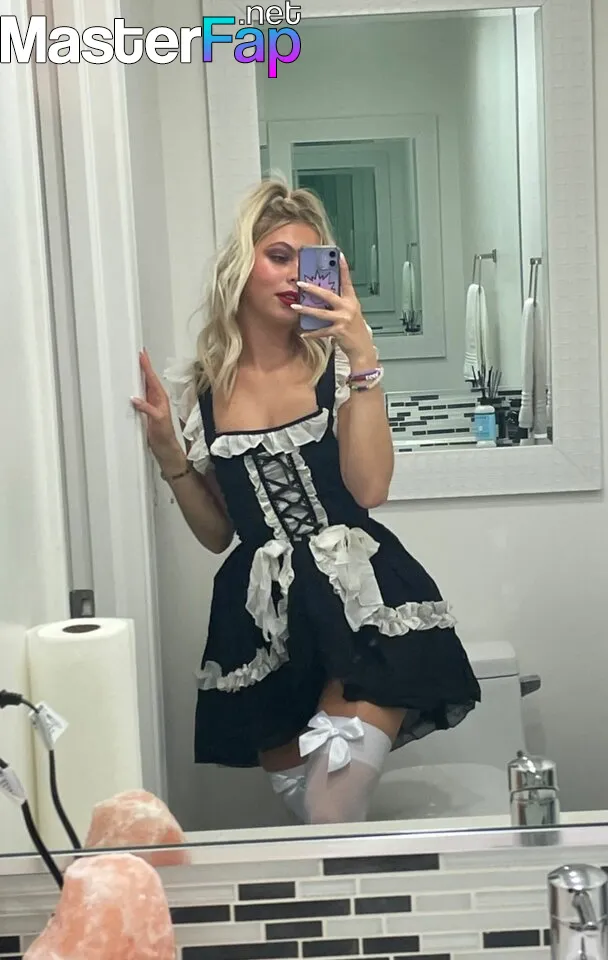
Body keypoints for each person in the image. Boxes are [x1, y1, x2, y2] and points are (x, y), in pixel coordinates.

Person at [131, 178, 481, 824]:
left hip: (359, 603)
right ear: (242, 266)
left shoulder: (337, 370)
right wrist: (168, 455)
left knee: (329, 814)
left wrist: (363, 353)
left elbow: (370, 489)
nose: (295, 274)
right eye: (278, 255)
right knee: (311, 815)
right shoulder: (200, 392)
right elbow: (218, 534)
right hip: (266, 626)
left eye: (309, 259)